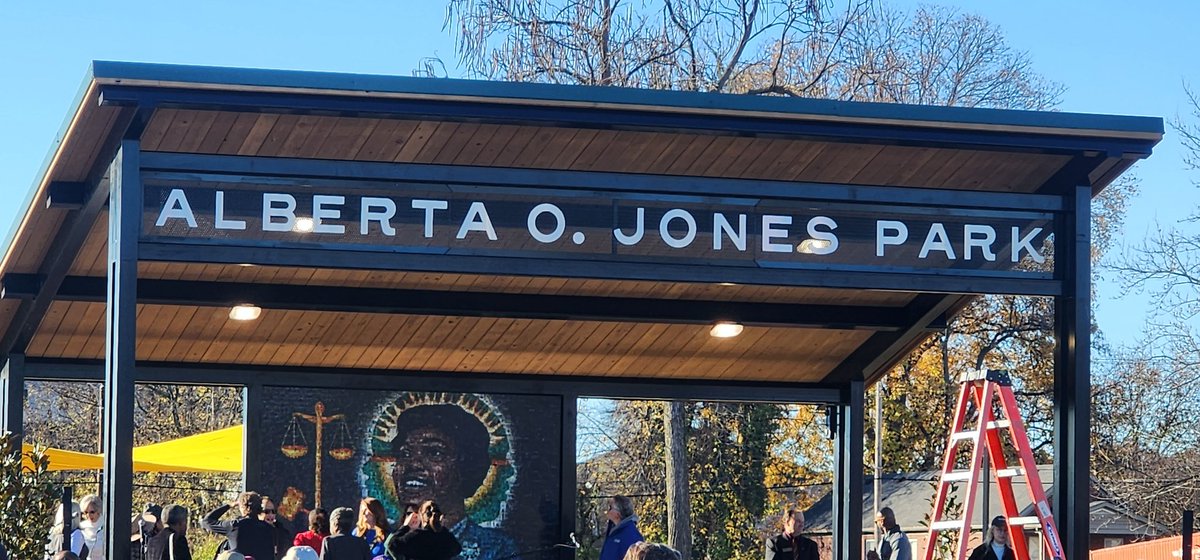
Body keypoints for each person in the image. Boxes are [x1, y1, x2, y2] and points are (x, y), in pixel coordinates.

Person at [385, 404, 520, 560]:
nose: (413, 464)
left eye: (434, 452)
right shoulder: (386, 535)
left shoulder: (497, 547)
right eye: (405, 453)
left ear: (466, 468)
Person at [202, 491, 276, 560]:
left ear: (242, 507)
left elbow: (206, 521)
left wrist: (229, 505)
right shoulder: (269, 529)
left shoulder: (235, 526)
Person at [383, 500, 462, 560]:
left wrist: (405, 526)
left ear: (421, 516)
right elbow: (457, 549)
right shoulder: (445, 537)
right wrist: (441, 528)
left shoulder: (417, 536)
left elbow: (391, 544)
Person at [261, 496, 294, 560]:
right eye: (266, 511)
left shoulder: (283, 533)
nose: (271, 515)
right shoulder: (253, 532)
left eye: (273, 511)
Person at [79, 494, 106, 560]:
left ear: (99, 510)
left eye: (92, 512)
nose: (88, 515)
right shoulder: (81, 527)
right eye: (86, 512)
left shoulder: (106, 526)